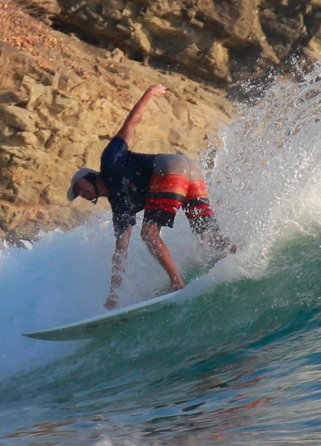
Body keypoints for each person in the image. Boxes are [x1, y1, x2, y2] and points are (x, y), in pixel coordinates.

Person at [68, 84, 234, 309]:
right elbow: (121, 251)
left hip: (170, 166)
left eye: (80, 187)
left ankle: (176, 282)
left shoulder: (110, 160)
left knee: (148, 233)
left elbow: (131, 124)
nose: (82, 193)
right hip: (190, 171)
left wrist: (148, 94)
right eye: (79, 194)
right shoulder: (120, 206)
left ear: (89, 176)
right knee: (206, 236)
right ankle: (238, 254)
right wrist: (113, 294)